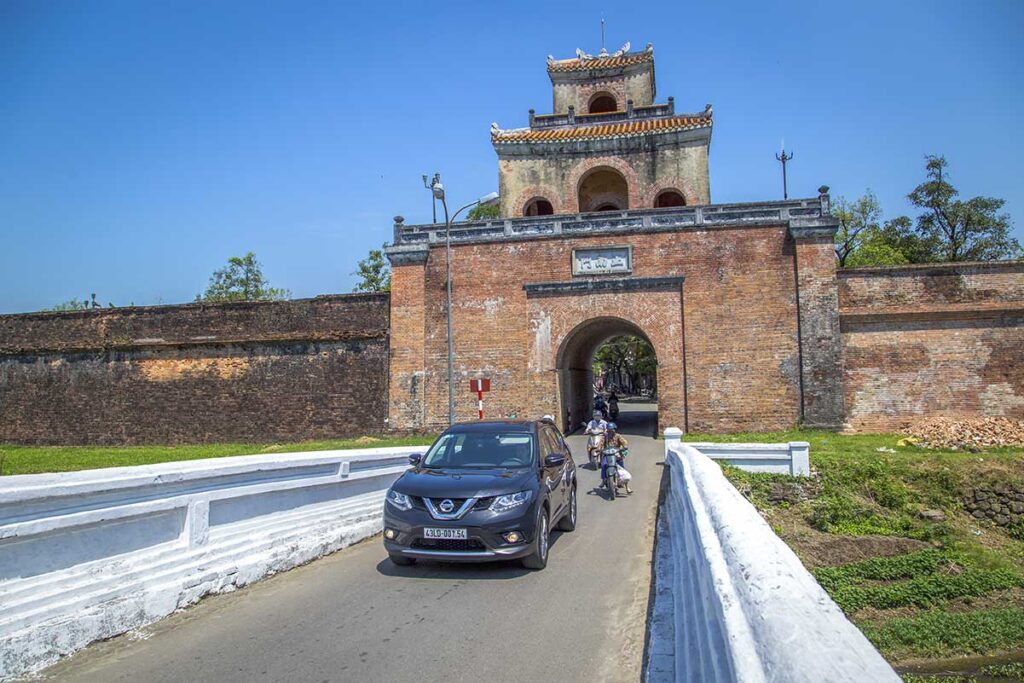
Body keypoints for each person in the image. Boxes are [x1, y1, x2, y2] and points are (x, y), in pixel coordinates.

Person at [602, 422, 632, 494]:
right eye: (609, 430)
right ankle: (603, 480)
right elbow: (601, 444)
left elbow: (624, 442)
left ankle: (627, 487)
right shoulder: (605, 437)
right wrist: (599, 449)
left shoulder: (618, 436)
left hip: (617, 455)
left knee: (622, 470)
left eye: (612, 430)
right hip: (608, 455)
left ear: (614, 430)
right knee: (604, 466)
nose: (610, 431)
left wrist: (624, 447)